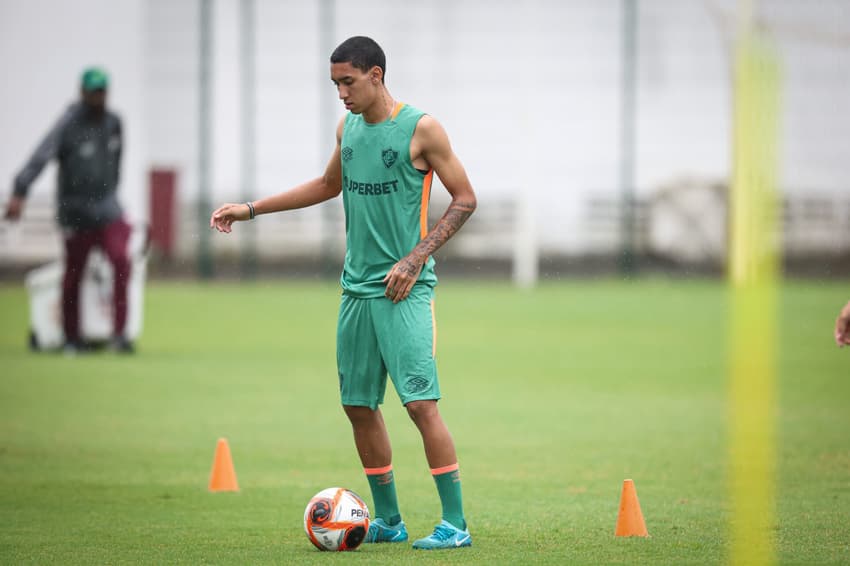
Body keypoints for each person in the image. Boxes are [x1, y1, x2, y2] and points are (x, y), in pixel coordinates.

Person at [211, 36, 476, 550]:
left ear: (376, 75)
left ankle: (455, 525)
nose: (341, 94)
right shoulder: (347, 128)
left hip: (405, 291)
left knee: (421, 405)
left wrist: (414, 258)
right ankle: (390, 521)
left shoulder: (422, 129)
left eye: (348, 82)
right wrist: (250, 209)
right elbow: (327, 185)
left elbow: (465, 199)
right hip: (355, 292)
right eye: (335, 84)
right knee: (358, 406)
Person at [6, 67, 133, 353]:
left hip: (108, 209)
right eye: (93, 91)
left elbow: (116, 164)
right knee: (74, 274)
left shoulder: (114, 123)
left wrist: (110, 195)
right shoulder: (68, 125)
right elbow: (40, 156)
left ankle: (120, 335)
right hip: (76, 211)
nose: (99, 97)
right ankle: (72, 338)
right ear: (83, 92)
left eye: (103, 91)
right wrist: (19, 190)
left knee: (121, 260)